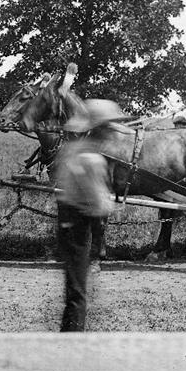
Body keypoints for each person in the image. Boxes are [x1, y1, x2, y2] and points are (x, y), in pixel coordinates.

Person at [55, 99, 132, 332]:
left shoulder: (75, 149)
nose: (112, 132)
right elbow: (99, 205)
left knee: (74, 285)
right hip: (80, 227)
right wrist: (113, 205)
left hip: (67, 222)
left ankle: (67, 334)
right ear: (101, 128)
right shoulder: (94, 160)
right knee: (79, 290)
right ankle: (73, 340)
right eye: (109, 127)